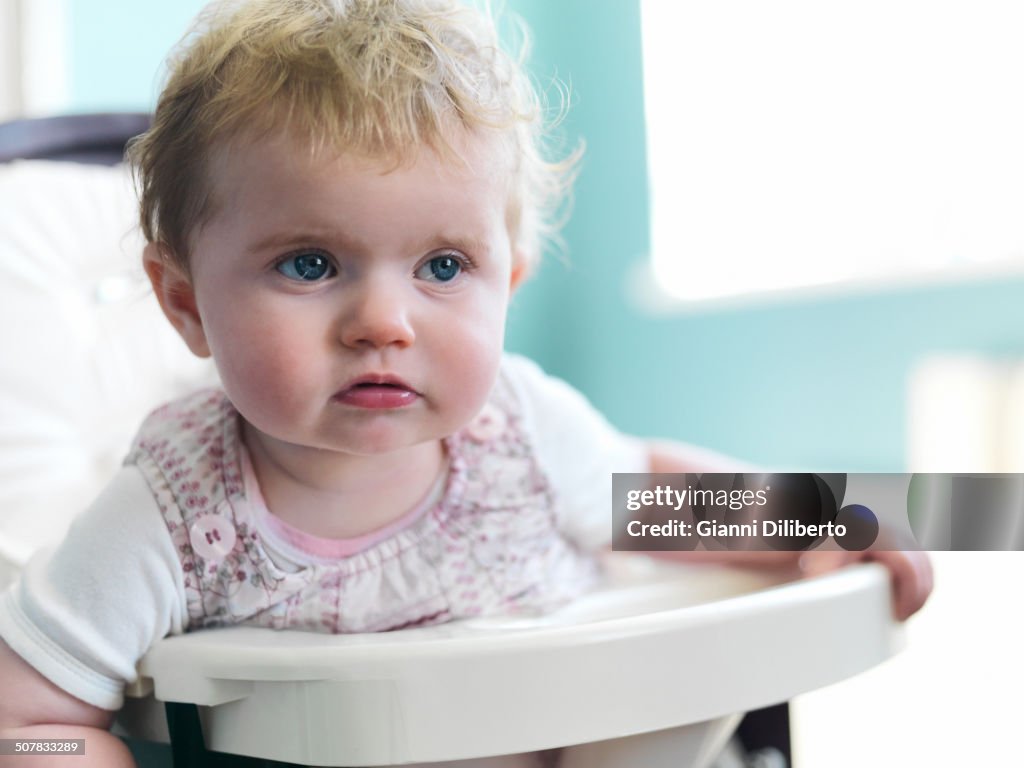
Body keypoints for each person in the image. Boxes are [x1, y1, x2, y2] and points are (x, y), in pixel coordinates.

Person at [0, 1, 932, 765]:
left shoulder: (521, 432)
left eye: (443, 268)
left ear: (508, 287)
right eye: (311, 263)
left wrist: (833, 513)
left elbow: (657, 500)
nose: (384, 322)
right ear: (185, 303)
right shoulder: (166, 518)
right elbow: (29, 722)